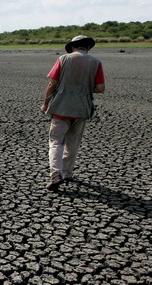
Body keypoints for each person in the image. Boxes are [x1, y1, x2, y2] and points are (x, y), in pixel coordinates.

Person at [41, 35, 105, 191]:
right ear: (87, 47)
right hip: (82, 109)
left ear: (73, 47)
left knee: (56, 141)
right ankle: (67, 173)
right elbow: (100, 88)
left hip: (61, 108)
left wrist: (46, 103)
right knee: (73, 143)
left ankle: (56, 175)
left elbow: (52, 84)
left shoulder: (63, 59)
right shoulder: (96, 62)